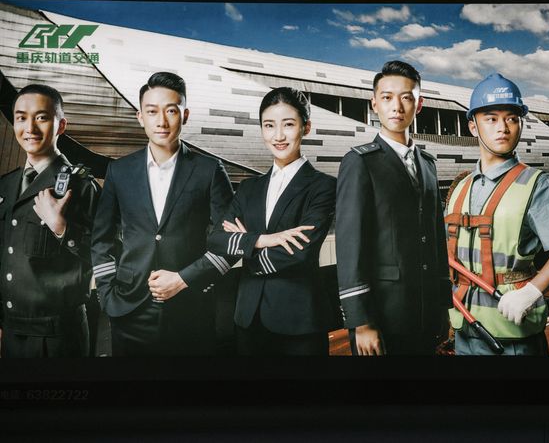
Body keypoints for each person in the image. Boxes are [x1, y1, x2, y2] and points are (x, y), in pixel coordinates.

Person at [91, 72, 236, 356]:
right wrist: (108, 296)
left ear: (185, 115)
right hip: (130, 309)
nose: (162, 120)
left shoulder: (209, 170)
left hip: (192, 306)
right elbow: (100, 240)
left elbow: (231, 241)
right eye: (152, 111)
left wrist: (184, 279)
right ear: (139, 116)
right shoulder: (119, 171)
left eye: (171, 110)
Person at [445, 73, 549, 355]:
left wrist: (531, 293)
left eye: (512, 118)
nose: (503, 127)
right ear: (472, 126)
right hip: (464, 329)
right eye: (491, 118)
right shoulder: (460, 188)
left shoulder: (537, 184)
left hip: (513, 333)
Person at [207, 87, 337, 355]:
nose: (278, 136)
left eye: (288, 125)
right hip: (247, 318)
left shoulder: (324, 186)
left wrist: (246, 247)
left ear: (306, 127)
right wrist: (262, 239)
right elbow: (216, 240)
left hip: (300, 321)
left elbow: (300, 253)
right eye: (269, 126)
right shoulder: (248, 188)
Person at [336, 60, 450, 355]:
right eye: (387, 97)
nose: (396, 107)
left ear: (419, 104)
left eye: (406, 97)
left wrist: (442, 305)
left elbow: (436, 239)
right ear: (374, 104)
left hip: (425, 311)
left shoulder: (428, 165)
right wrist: (361, 321)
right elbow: (350, 246)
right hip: (382, 315)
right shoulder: (360, 162)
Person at [0, 84, 99, 357]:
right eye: (21, 117)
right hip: (10, 330)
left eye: (41, 117)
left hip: (56, 336)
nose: (29, 127)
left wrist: (62, 228)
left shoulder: (80, 186)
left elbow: (109, 255)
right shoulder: (6, 186)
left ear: (61, 125)